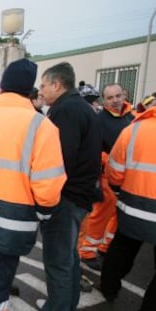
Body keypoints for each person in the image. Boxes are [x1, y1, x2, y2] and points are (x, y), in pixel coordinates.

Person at [0, 59, 67, 311]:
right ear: (30, 89)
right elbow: (48, 184)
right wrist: (44, 212)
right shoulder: (41, 125)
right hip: (14, 219)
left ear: (5, 85)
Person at [38, 62, 102, 310]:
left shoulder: (66, 111)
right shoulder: (80, 107)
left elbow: (58, 159)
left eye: (44, 85)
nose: (41, 91)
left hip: (66, 198)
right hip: (78, 195)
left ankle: (58, 306)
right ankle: (64, 302)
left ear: (57, 84)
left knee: (58, 262)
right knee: (69, 258)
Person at [100, 94, 156, 310]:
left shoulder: (133, 130)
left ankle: (108, 288)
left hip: (132, 206)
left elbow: (113, 171)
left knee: (121, 251)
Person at [79, 83, 134, 271]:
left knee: (118, 216)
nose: (115, 101)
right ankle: (86, 252)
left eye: (118, 96)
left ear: (124, 94)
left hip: (128, 177)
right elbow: (93, 149)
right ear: (103, 100)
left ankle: (104, 247)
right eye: (110, 98)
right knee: (100, 215)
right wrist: (113, 160)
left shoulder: (132, 118)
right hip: (106, 177)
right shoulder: (99, 120)